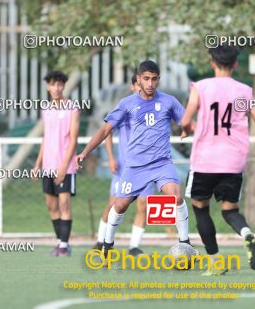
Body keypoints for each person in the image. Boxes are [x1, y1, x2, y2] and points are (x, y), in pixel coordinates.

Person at [181, 44, 255, 275]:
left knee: (201, 209)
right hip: (233, 161)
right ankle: (246, 234)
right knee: (230, 211)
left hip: (205, 160)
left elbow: (185, 120)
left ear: (212, 63)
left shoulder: (200, 87)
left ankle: (215, 262)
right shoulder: (244, 91)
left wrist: (188, 129)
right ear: (235, 65)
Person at [76, 60, 193, 258]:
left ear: (158, 80)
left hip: (162, 163)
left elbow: (187, 120)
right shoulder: (127, 104)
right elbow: (105, 130)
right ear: (138, 80)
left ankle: (185, 242)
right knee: (119, 205)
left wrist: (187, 129)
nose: (150, 83)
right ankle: (107, 244)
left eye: (154, 79)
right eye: (146, 79)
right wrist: (85, 152)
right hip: (135, 167)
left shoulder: (168, 101)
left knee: (176, 196)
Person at [93, 73, 154, 256]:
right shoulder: (125, 107)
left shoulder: (155, 109)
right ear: (133, 86)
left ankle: (134, 246)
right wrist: (111, 157)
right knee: (114, 204)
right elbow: (107, 132)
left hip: (147, 168)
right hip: (125, 168)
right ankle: (101, 241)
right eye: (138, 84)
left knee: (143, 204)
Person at [33, 70, 79, 257]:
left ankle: (64, 245)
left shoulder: (72, 108)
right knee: (51, 206)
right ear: (47, 87)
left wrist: (62, 167)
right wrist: (37, 164)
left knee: (64, 204)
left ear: (64, 86)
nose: (56, 88)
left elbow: (74, 139)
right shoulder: (46, 108)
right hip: (48, 166)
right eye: (53, 84)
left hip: (65, 166)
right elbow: (46, 137)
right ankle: (60, 242)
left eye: (59, 84)